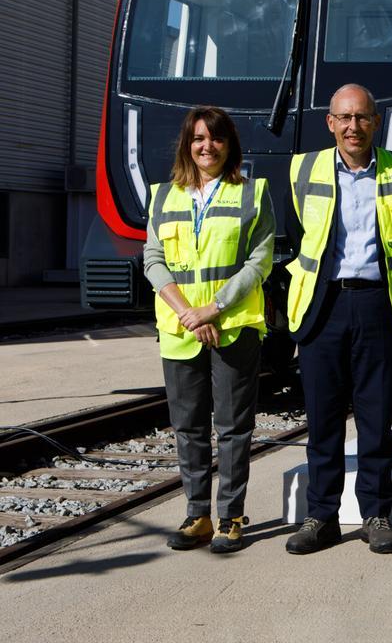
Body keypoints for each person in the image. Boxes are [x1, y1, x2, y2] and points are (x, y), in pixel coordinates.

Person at [283, 83, 392, 555]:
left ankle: (376, 514)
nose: (353, 126)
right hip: (323, 306)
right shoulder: (303, 169)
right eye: (344, 118)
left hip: (380, 304)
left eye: (362, 117)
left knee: (376, 418)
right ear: (330, 123)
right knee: (323, 421)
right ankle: (321, 516)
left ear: (376, 122)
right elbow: (294, 236)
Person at [143, 106, 275, 554]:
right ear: (187, 144)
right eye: (199, 138)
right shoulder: (163, 196)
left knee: (234, 426)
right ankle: (197, 515)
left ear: (229, 145)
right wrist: (188, 313)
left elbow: (260, 261)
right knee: (188, 426)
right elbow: (153, 259)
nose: (207, 146)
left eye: (216, 138)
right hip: (181, 328)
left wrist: (213, 308)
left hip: (232, 325)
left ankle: (230, 517)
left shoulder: (252, 194)